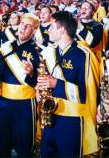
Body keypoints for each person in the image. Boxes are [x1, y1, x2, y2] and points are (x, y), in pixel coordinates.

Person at [38, 11, 100, 157]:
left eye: (52, 26)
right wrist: (39, 89)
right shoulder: (51, 52)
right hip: (49, 118)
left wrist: (57, 84)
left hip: (72, 122)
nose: (48, 30)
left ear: (62, 29)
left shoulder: (84, 55)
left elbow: (88, 95)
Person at [0, 13, 40, 157]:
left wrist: (32, 74)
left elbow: (41, 82)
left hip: (24, 105)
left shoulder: (38, 51)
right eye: (21, 24)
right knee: (0, 143)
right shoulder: (6, 47)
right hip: (2, 102)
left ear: (34, 31)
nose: (23, 28)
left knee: (24, 146)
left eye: (28, 26)